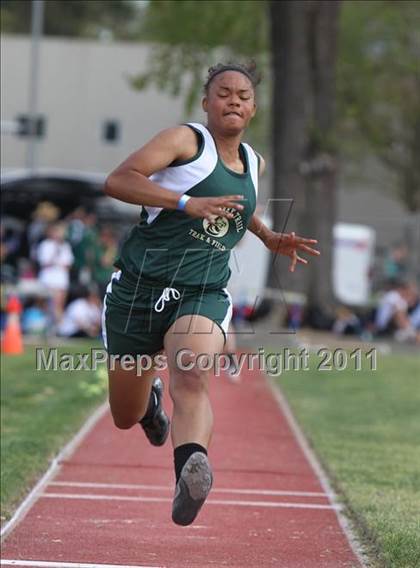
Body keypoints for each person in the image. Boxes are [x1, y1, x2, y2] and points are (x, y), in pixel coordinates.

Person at [103, 61, 320, 526]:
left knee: (193, 373)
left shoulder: (255, 164)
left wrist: (266, 236)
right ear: (207, 103)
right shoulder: (185, 142)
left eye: (243, 95)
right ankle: (150, 408)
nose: (234, 101)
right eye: (224, 93)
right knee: (125, 413)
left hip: (201, 290)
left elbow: (235, 211)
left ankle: (189, 474)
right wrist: (185, 203)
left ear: (254, 108)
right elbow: (118, 181)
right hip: (139, 290)